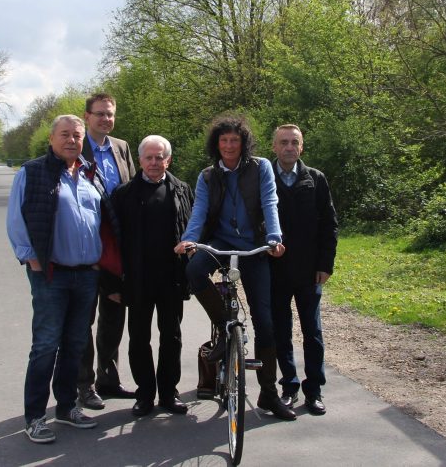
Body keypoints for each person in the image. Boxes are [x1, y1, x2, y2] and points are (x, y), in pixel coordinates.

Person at [174, 114, 295, 421]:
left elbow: (270, 201)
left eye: (235, 140)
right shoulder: (207, 176)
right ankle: (224, 331)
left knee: (265, 323)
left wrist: (274, 237)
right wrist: (189, 240)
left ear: (244, 143)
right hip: (218, 243)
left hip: (253, 247)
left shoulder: (260, 167)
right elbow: (199, 211)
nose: (229, 145)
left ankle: (268, 394)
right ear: (217, 144)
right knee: (193, 270)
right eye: (224, 140)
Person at [6, 114, 115, 443]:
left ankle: (66, 407)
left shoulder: (88, 175)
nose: (71, 140)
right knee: (45, 346)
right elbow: (16, 219)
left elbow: (103, 222)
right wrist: (31, 258)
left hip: (85, 276)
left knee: (75, 345)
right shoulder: (33, 171)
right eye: (65, 135)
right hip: (51, 274)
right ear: (52, 139)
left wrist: (100, 263)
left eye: (77, 136)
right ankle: (35, 417)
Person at [111, 135, 194, 416]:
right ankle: (144, 394)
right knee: (138, 338)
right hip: (137, 280)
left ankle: (169, 393)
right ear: (140, 160)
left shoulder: (182, 190)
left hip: (172, 278)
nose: (155, 162)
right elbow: (112, 242)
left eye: (160, 157)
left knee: (172, 337)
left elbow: (193, 229)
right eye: (149, 157)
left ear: (168, 160)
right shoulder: (123, 195)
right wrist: (112, 282)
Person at [269, 124, 338, 415]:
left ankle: (314, 391)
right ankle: (289, 386)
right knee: (280, 332)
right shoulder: (264, 178)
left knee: (312, 332)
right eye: (283, 142)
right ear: (274, 147)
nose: (288, 147)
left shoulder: (316, 179)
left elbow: (329, 225)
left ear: (301, 147)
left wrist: (325, 264)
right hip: (275, 270)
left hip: (310, 271)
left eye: (294, 142)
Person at [77, 93, 137, 410]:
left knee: (114, 314)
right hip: (86, 245)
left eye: (110, 114)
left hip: (117, 246)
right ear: (87, 116)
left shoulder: (122, 147)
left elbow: (131, 191)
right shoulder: (74, 146)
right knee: (83, 318)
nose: (105, 119)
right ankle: (84, 385)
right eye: (99, 114)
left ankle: (109, 380)